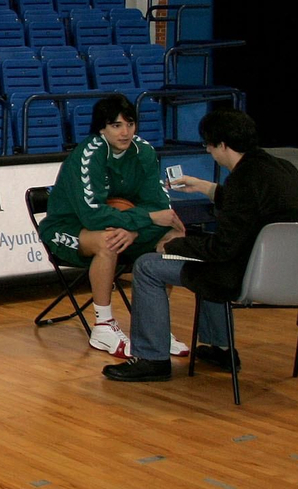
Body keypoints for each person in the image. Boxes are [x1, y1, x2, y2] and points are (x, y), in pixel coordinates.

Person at [103, 109, 298, 382]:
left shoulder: (243, 180)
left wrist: (173, 246)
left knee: (147, 266)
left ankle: (151, 358)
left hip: (254, 277)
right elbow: (252, 206)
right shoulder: (283, 168)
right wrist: (207, 188)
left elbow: (222, 249)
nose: (208, 151)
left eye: (209, 145)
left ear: (223, 145)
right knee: (209, 260)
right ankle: (221, 348)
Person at [37, 94, 190, 359]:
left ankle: (156, 327)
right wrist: (145, 220)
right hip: (67, 228)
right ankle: (103, 326)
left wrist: (135, 227)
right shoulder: (87, 155)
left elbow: (160, 208)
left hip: (122, 226)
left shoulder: (144, 152)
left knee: (173, 234)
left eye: (130, 124)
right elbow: (93, 216)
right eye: (116, 125)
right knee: (107, 241)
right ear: (102, 128)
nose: (125, 132)